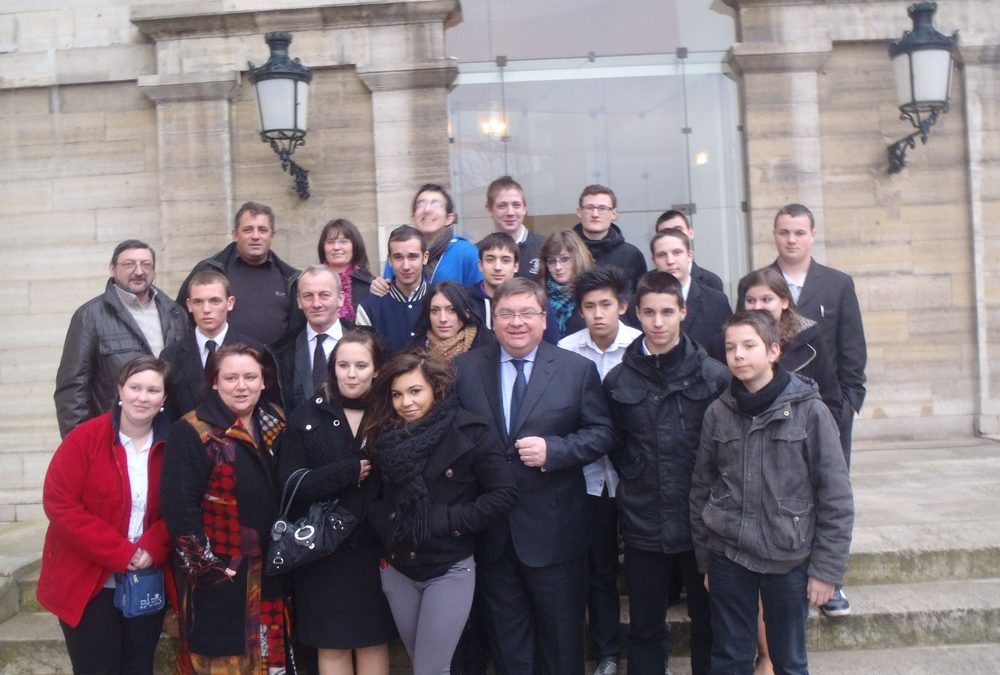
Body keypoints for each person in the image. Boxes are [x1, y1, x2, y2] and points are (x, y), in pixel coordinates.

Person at [454, 277, 615, 675]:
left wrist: (555, 451)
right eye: (507, 314)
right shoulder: (464, 370)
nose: (516, 322)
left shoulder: (575, 370)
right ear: (494, 320)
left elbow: (603, 433)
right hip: (492, 534)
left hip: (555, 532)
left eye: (527, 313)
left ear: (544, 320)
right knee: (509, 648)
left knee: (561, 644)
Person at [690, 310, 854, 675]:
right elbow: (702, 486)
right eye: (731, 348)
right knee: (729, 657)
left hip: (788, 556)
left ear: (774, 351)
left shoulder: (810, 411)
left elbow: (836, 496)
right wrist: (706, 559)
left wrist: (827, 570)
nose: (739, 355)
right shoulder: (718, 412)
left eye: (749, 346)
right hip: (728, 553)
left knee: (789, 660)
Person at [737, 203, 866, 616]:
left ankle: (832, 581)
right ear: (774, 235)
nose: (791, 239)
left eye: (799, 232)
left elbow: (851, 347)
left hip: (824, 412)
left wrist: (848, 404)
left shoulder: (837, 283)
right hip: (768, 416)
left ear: (811, 235)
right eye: (784, 232)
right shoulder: (756, 285)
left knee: (828, 492)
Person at [603, 271, 730, 675]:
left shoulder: (714, 376)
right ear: (637, 314)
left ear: (683, 313)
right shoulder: (618, 379)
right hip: (643, 523)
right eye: (650, 313)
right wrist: (635, 473)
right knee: (644, 628)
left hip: (701, 526)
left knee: (708, 625)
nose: (658, 322)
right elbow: (613, 441)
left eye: (667, 312)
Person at [367, 351, 517, 675]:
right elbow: (375, 497)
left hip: (450, 567)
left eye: (415, 391)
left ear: (437, 388)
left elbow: (504, 494)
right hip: (398, 567)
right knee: (423, 664)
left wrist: (448, 519)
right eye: (397, 394)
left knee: (430, 670)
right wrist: (387, 523)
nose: (405, 402)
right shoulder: (386, 436)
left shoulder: (471, 431)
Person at [161, 342, 292, 673]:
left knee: (271, 665)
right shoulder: (193, 429)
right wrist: (206, 567)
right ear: (215, 382)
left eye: (251, 376)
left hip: (272, 572)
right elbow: (179, 506)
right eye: (231, 377)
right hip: (223, 577)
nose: (242, 385)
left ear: (263, 381)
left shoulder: (276, 421)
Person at [38, 355, 173, 674]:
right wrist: (120, 553)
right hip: (88, 579)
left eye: (153, 390)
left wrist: (153, 547)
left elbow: (182, 505)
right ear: (119, 390)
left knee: (138, 667)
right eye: (135, 387)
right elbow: (60, 504)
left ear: (164, 398)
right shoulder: (84, 439)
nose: (143, 397)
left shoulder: (175, 443)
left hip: (146, 577)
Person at [276, 330, 397, 675]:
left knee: (373, 640)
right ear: (333, 369)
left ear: (376, 369)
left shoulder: (390, 412)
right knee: (332, 644)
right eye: (343, 365)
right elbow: (288, 483)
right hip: (322, 552)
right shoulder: (307, 415)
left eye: (361, 365)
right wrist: (345, 472)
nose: (351, 373)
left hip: (376, 549)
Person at [556, 266, 641, 675]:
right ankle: (607, 652)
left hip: (637, 478)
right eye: (589, 306)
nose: (598, 314)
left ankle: (647, 650)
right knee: (600, 569)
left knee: (645, 571)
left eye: (606, 304)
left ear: (622, 306)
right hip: (588, 479)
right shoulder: (568, 350)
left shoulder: (641, 346)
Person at [54, 239, 188, 437]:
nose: (139, 271)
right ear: (113, 269)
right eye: (129, 264)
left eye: (146, 264)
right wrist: (81, 442)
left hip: (169, 433)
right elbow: (72, 389)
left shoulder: (175, 313)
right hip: (115, 434)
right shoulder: (90, 316)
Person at [176, 201, 302, 346]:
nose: (255, 236)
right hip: (219, 362)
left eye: (262, 230)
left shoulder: (289, 278)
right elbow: (180, 317)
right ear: (236, 234)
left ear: (272, 236)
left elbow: (296, 329)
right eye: (248, 230)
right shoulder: (210, 270)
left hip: (275, 364)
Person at [159, 269, 272, 421]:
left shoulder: (255, 351)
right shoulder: (171, 355)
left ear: (230, 303)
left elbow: (265, 408)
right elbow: (168, 412)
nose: (206, 310)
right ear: (189, 305)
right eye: (198, 302)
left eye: (215, 301)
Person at [741, 267, 843, 424]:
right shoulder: (731, 343)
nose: (757, 307)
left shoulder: (809, 339)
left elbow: (830, 398)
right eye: (750, 301)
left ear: (784, 301)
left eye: (766, 300)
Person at [272, 265, 350, 413]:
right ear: (299, 301)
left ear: (340, 298)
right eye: (308, 296)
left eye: (324, 295)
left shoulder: (367, 345)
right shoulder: (280, 352)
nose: (316, 304)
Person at [375, 184, 483, 289]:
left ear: (449, 218)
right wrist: (379, 288)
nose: (427, 210)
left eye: (436, 205)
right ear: (413, 217)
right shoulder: (400, 253)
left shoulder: (466, 252)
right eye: (421, 205)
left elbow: (480, 297)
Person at [650, 228, 731, 361]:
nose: (670, 261)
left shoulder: (717, 302)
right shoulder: (640, 304)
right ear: (653, 260)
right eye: (662, 255)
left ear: (689, 256)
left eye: (677, 252)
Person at [357, 226, 430, 353]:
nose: (406, 266)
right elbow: (362, 358)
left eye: (412, 257)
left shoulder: (440, 301)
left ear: (425, 257)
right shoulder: (369, 308)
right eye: (398, 257)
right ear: (389, 260)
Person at [572, 184, 647, 293]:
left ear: (614, 214)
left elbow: (638, 298)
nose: (595, 214)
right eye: (589, 207)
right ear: (579, 212)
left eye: (602, 208)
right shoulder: (566, 251)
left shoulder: (631, 255)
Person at [412, 281, 495, 362]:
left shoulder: (488, 350)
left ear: (467, 312)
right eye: (434, 310)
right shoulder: (415, 353)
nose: (442, 319)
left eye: (452, 310)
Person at [484, 175, 543, 278]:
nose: (510, 212)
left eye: (516, 205)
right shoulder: (478, 252)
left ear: (525, 208)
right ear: (489, 209)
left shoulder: (544, 247)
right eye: (502, 206)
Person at [318, 217, 375, 322]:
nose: (336, 247)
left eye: (343, 241)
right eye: (330, 242)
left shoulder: (371, 286)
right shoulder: (313, 283)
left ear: (355, 245)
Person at [540, 229, 592, 341]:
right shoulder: (538, 296)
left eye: (565, 259)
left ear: (578, 259)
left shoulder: (592, 293)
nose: (558, 267)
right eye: (552, 261)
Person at [655, 210, 724, 293]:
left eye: (678, 230)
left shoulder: (712, 281)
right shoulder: (645, 283)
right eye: (666, 232)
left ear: (691, 233)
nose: (673, 236)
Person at [468, 232, 520, 330]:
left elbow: (548, 344)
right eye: (490, 260)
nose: (497, 267)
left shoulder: (531, 301)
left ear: (516, 266)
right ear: (480, 265)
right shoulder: (465, 302)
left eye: (505, 260)